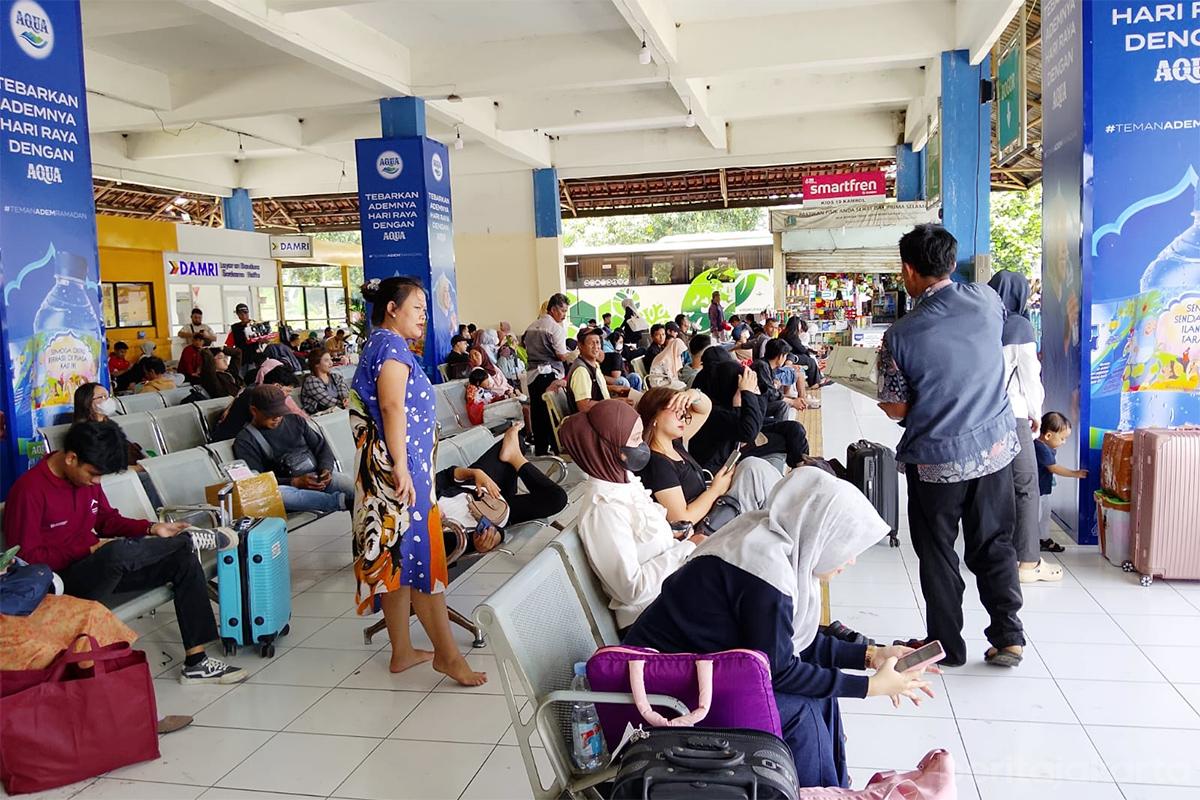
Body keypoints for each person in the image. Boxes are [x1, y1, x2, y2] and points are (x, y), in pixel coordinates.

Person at [624, 469, 935, 788]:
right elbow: (780, 670)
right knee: (802, 709)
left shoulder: (771, 543)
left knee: (820, 695)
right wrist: (870, 687)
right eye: (846, 545)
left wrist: (871, 656)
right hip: (663, 687)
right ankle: (823, 792)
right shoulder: (764, 574)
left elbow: (791, 643)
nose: (851, 559)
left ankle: (836, 790)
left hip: (694, 671)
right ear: (820, 534)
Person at [878, 224, 1024, 668]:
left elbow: (897, 409)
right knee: (995, 543)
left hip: (936, 462)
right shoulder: (988, 300)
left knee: (938, 553)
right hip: (994, 449)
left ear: (908, 270)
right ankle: (1009, 636)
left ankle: (947, 645)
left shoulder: (900, 335)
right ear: (950, 261)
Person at [2, 420, 246, 685]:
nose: (96, 482)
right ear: (71, 458)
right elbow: (26, 559)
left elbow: (106, 520)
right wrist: (89, 548)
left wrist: (152, 528)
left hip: (100, 569)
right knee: (115, 553)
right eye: (93, 474)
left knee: (182, 560)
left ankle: (196, 663)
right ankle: (188, 540)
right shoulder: (29, 491)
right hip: (61, 584)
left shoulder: (86, 479)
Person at [351, 277, 486, 686]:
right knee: (422, 563)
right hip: (400, 474)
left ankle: (402, 651)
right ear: (392, 309)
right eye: (418, 309)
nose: (424, 317)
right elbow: (392, 407)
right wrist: (402, 467)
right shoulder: (391, 347)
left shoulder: (378, 343)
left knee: (398, 561)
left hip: (390, 472)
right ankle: (449, 657)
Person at [559, 400, 705, 632]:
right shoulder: (604, 508)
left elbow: (640, 539)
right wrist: (686, 548)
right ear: (610, 448)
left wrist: (673, 535)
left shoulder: (624, 482)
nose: (643, 445)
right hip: (652, 620)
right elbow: (632, 590)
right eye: (636, 438)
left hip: (670, 597)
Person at [988, 271, 1056, 583]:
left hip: (980, 416)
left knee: (991, 488)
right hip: (1011, 414)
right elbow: (1030, 376)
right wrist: (1035, 413)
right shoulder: (1018, 325)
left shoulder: (982, 323)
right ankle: (1028, 561)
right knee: (1026, 486)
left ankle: (993, 555)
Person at [637, 387, 782, 529]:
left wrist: (693, 394)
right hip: (707, 527)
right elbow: (682, 520)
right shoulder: (657, 464)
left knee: (752, 468)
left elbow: (704, 409)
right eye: (676, 411)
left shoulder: (674, 444)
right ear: (654, 417)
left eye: (683, 411)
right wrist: (715, 490)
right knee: (753, 470)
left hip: (714, 508)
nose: (682, 416)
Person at [436, 422, 567, 555]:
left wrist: (475, 473)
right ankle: (515, 457)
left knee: (517, 441)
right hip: (498, 513)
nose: (439, 514)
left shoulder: (423, 498)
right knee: (557, 498)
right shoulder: (439, 543)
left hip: (477, 485)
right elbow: (492, 534)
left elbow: (446, 476)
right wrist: (489, 541)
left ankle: (513, 455)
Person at [234, 386, 353, 514]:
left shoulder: (295, 421)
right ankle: (339, 502)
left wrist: (326, 469)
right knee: (282, 495)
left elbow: (321, 447)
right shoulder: (246, 440)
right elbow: (259, 480)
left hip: (317, 477)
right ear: (254, 411)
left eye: (280, 413)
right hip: (289, 488)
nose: (277, 418)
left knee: (351, 486)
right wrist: (295, 482)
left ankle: (356, 502)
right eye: (271, 414)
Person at [691, 360, 808, 474]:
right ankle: (802, 471)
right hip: (726, 456)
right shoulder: (713, 411)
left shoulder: (724, 402)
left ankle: (804, 468)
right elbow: (749, 432)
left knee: (794, 429)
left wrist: (758, 392)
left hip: (738, 439)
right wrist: (748, 393)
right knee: (784, 441)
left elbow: (757, 418)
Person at [523, 293, 573, 455]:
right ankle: (556, 447)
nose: (564, 315)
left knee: (537, 412)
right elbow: (561, 355)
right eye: (563, 311)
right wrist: (573, 355)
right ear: (553, 309)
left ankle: (541, 449)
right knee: (551, 413)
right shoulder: (555, 328)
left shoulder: (531, 326)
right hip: (549, 374)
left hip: (532, 375)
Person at [1035, 412, 1087, 555]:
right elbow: (1054, 468)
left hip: (1043, 490)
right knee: (1036, 517)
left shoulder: (1047, 447)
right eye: (1062, 438)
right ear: (1048, 436)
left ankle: (1043, 539)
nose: (1064, 442)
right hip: (1036, 491)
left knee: (1045, 515)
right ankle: (1031, 542)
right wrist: (1075, 473)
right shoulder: (1040, 447)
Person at [209, 366, 299, 442]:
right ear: (277, 386)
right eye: (288, 391)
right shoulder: (257, 396)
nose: (287, 396)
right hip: (230, 441)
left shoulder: (255, 390)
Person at [566, 328, 614, 413]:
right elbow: (584, 406)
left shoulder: (594, 364)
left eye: (597, 342)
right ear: (580, 346)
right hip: (592, 418)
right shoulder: (581, 371)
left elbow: (596, 387)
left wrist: (616, 388)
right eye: (591, 343)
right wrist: (614, 403)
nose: (596, 347)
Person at [301, 347, 350, 414]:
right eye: (326, 360)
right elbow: (327, 401)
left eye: (331, 359)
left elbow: (343, 391)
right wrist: (346, 404)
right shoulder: (311, 381)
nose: (331, 363)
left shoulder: (336, 377)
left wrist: (346, 399)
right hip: (320, 416)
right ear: (316, 364)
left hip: (338, 412)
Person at [230, 303, 269, 374]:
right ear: (237, 315)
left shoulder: (256, 325)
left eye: (245, 313)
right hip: (241, 358)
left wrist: (262, 340)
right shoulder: (235, 327)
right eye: (241, 314)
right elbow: (230, 343)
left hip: (255, 357)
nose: (244, 316)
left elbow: (267, 339)